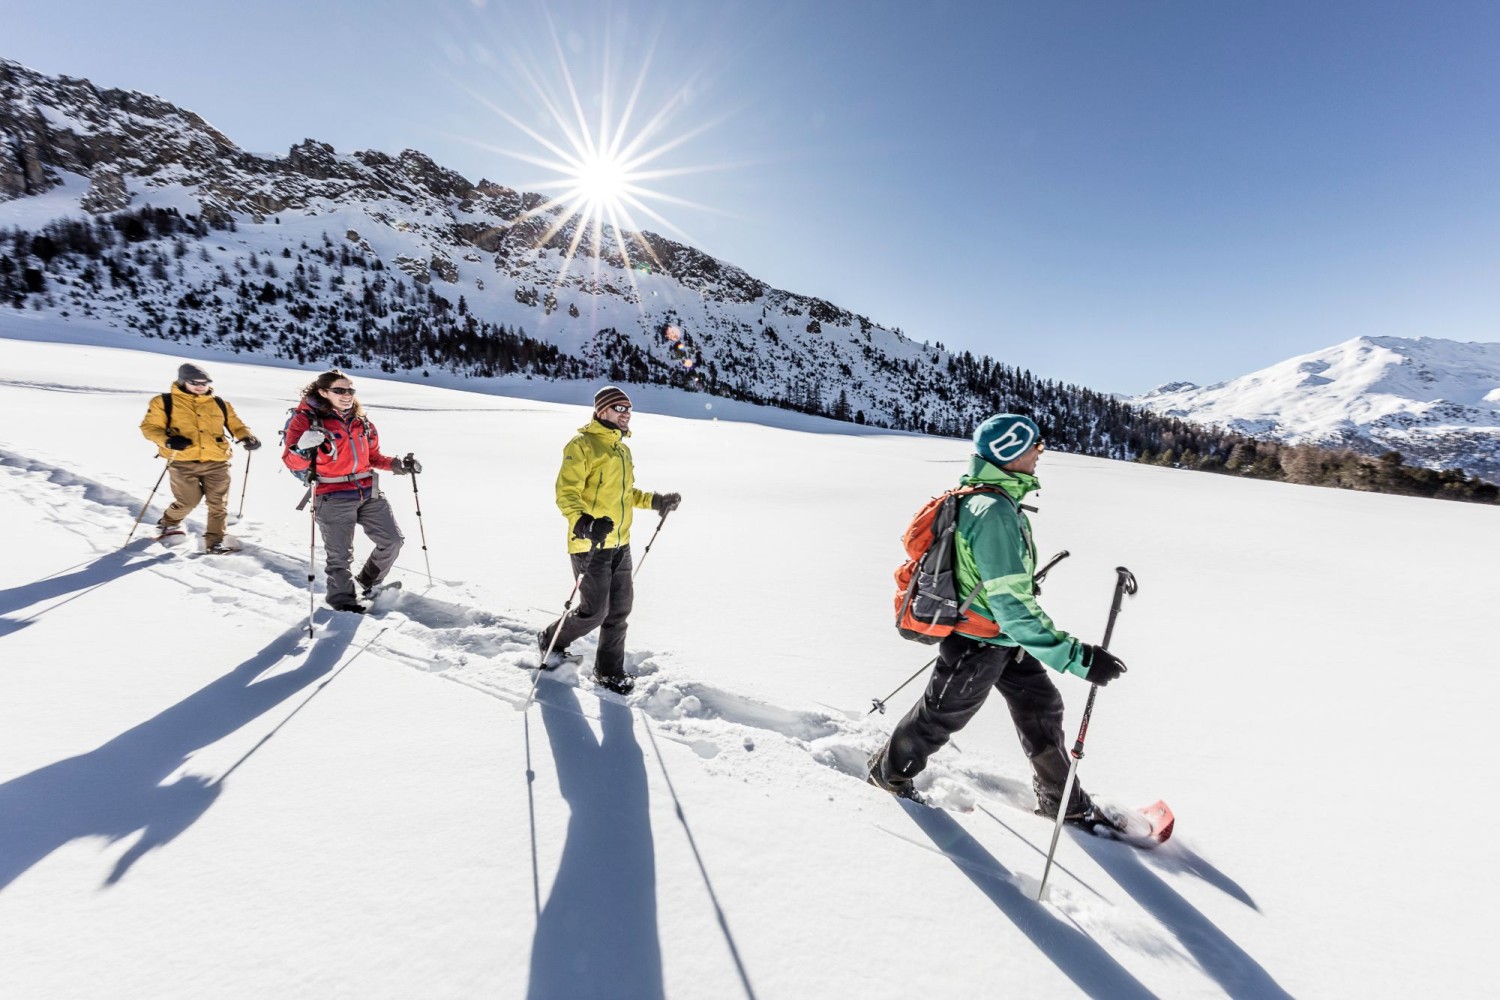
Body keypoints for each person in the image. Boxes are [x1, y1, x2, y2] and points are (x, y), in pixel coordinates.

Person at [867, 413, 1129, 827]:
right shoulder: (993, 512)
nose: (1040, 453)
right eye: (1034, 447)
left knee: (1041, 708)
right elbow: (1010, 605)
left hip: (1004, 638)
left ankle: (1066, 804)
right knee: (941, 716)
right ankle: (888, 776)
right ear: (1011, 452)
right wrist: (1077, 657)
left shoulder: (991, 500)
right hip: (979, 641)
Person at [538, 386, 681, 694]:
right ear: (602, 411)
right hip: (590, 544)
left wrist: (657, 501)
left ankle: (608, 671)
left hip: (621, 543)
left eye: (628, 408)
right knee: (594, 612)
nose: (626, 413)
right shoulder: (582, 445)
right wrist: (585, 523)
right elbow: (567, 493)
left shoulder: (621, 450)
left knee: (619, 610)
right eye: (619, 407)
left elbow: (625, 495)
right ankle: (551, 639)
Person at [280, 370, 418, 613]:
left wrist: (397, 464)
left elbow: (372, 456)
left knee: (393, 541)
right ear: (323, 392)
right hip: (331, 495)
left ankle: (367, 583)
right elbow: (293, 462)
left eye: (350, 390)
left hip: (368, 490)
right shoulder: (306, 421)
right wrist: (301, 449)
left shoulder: (361, 421)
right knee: (340, 557)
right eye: (340, 391)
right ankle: (343, 603)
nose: (347, 396)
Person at [138, 362, 260, 553]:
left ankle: (214, 543)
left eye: (205, 382)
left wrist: (247, 437)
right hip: (182, 461)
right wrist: (168, 441)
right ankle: (169, 522)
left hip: (217, 461)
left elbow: (237, 425)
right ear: (183, 381)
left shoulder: (220, 403)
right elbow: (149, 428)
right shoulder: (163, 402)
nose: (200, 386)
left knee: (218, 504)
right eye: (195, 382)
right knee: (188, 501)